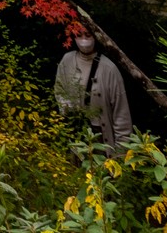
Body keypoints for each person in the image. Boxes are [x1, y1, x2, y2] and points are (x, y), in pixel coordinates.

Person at [54, 25, 134, 154]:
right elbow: (59, 89)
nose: (84, 39)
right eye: (79, 35)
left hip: (100, 136)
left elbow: (121, 113)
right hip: (76, 132)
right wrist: (66, 108)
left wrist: (121, 152)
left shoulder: (109, 69)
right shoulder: (67, 60)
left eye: (88, 35)